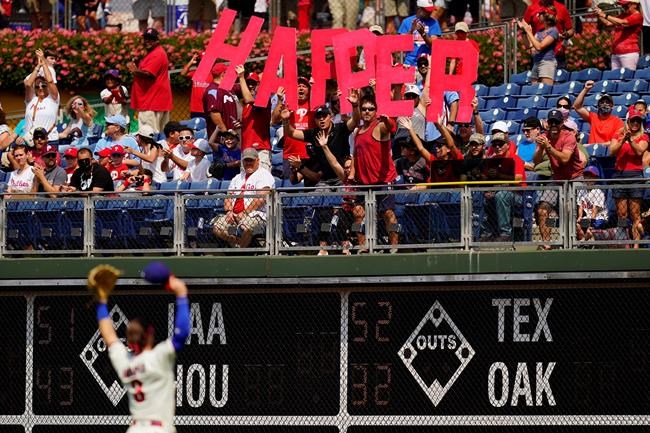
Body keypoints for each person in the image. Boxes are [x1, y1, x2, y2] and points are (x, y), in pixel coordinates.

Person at [94, 268, 190, 433]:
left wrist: (101, 301)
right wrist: (181, 293)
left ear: (129, 340)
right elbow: (181, 334)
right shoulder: (159, 357)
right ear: (150, 333)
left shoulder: (124, 362)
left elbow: (109, 337)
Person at [281, 90, 360, 187]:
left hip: (342, 177)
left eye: (324, 116)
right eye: (318, 117)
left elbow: (355, 121)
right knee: (318, 197)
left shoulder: (341, 128)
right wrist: (285, 120)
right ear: (315, 120)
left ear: (330, 117)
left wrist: (355, 106)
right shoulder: (313, 133)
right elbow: (291, 133)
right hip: (324, 180)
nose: (321, 119)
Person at [533, 109, 584, 250]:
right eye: (551, 122)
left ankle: (582, 237)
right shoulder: (545, 137)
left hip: (574, 178)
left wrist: (548, 147)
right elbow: (536, 161)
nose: (554, 125)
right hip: (557, 179)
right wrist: (540, 148)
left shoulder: (569, 137)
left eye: (557, 122)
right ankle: (547, 243)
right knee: (542, 210)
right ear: (548, 123)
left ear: (562, 123)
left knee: (568, 212)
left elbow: (565, 159)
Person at [354, 95, 399, 252]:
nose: (367, 112)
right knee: (357, 214)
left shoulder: (380, 126)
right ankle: (362, 246)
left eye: (371, 109)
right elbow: (355, 155)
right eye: (364, 109)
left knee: (388, 214)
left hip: (383, 180)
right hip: (364, 182)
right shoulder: (357, 131)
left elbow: (391, 127)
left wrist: (386, 120)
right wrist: (353, 174)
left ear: (376, 111)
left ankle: (394, 246)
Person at [212, 148, 275, 249]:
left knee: (245, 227)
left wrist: (244, 213)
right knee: (217, 227)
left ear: (258, 160)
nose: (248, 163)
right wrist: (229, 212)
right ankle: (236, 244)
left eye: (251, 160)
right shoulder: (237, 177)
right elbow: (229, 196)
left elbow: (261, 198)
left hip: (257, 215)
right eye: (246, 160)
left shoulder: (264, 175)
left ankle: (240, 251)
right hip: (234, 214)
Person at [609, 106, 648, 245]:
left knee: (635, 213)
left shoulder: (644, 136)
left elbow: (639, 151)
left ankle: (636, 244)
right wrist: (623, 140)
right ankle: (624, 243)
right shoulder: (618, 134)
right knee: (622, 213)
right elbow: (612, 151)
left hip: (635, 175)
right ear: (628, 122)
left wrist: (630, 140)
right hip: (619, 175)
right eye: (633, 121)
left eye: (638, 121)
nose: (635, 123)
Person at [127, 28, 172, 133]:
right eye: (146, 39)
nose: (147, 41)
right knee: (159, 136)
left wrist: (135, 70)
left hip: (151, 101)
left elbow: (149, 74)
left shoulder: (157, 54)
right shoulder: (153, 53)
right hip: (154, 101)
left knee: (148, 135)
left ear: (157, 40)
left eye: (150, 39)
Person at [272, 78, 315, 177]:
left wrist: (315, 89)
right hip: (290, 154)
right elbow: (274, 120)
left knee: (310, 189)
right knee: (290, 187)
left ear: (309, 90)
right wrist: (279, 100)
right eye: (298, 86)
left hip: (310, 155)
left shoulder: (314, 105)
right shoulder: (287, 104)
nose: (301, 88)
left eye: (304, 86)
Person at [235, 65, 272, 171]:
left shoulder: (263, 98)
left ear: (258, 85)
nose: (250, 86)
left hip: (260, 148)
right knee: (247, 185)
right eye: (248, 83)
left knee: (263, 184)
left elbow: (248, 98)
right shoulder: (245, 105)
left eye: (253, 83)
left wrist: (241, 77)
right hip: (246, 148)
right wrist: (241, 125)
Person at [523, 0, 574, 69]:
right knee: (536, 79)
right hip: (538, 54)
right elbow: (524, 29)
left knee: (557, 79)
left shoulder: (562, 8)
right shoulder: (532, 8)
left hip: (557, 54)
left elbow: (570, 30)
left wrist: (566, 34)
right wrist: (530, 47)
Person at [594, 0, 643, 70]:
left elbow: (623, 23)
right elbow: (608, 23)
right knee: (614, 79)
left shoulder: (637, 16)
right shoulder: (624, 15)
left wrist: (604, 15)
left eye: (626, 5)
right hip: (616, 53)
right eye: (623, 5)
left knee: (628, 78)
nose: (623, 7)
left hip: (629, 53)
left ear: (635, 5)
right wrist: (599, 14)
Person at [517, 8, 560, 86]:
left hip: (547, 63)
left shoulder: (553, 31)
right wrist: (524, 32)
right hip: (536, 63)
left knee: (546, 90)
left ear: (546, 16)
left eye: (540, 14)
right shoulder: (540, 31)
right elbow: (529, 46)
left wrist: (529, 32)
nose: (537, 15)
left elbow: (539, 47)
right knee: (534, 91)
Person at [24, 49, 59, 143]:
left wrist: (43, 63)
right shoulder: (31, 99)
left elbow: (51, 81)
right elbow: (28, 84)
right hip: (31, 141)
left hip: (49, 140)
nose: (40, 88)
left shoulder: (53, 98)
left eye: (43, 85)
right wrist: (38, 67)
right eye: (37, 86)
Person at [203, 62, 240, 140]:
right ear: (223, 73)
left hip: (233, 136)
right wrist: (226, 133)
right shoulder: (213, 91)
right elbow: (214, 113)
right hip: (222, 139)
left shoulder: (227, 88)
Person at [398, 0, 442, 66]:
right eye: (427, 10)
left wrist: (423, 34)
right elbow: (402, 45)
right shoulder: (406, 22)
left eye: (431, 10)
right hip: (410, 63)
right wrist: (411, 30)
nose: (430, 12)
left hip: (427, 63)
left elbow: (434, 45)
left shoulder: (434, 23)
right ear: (419, 8)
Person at [576, 165, 609, 242]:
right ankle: (585, 243)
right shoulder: (582, 190)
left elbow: (595, 209)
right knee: (577, 226)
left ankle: (583, 242)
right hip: (588, 217)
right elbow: (580, 206)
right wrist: (580, 217)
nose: (589, 178)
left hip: (599, 217)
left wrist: (591, 225)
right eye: (587, 175)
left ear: (596, 178)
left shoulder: (598, 191)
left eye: (592, 176)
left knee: (589, 231)